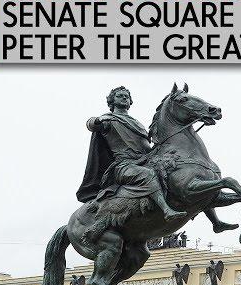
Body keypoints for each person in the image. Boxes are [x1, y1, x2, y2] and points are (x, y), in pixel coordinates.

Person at [76, 86, 186, 222]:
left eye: (126, 96)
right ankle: (166, 210)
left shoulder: (137, 123)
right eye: (119, 96)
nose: (124, 97)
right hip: (124, 166)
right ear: (112, 101)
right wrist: (96, 121)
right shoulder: (108, 119)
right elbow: (91, 124)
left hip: (145, 161)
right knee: (148, 175)